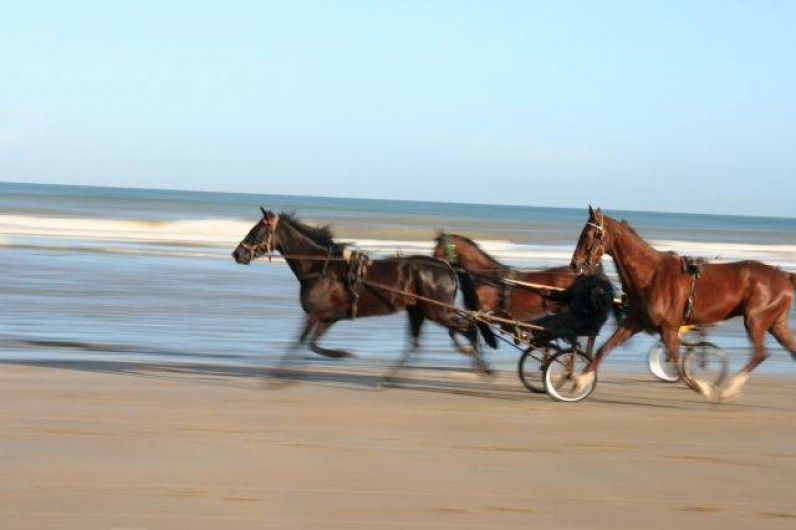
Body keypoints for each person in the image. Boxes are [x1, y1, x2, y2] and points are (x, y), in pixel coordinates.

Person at [528, 269, 616, 345]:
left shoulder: (603, 283)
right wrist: (550, 293)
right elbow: (567, 295)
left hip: (588, 320)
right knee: (544, 320)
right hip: (574, 315)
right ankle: (534, 339)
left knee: (555, 323)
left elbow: (603, 305)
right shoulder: (581, 279)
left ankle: (532, 336)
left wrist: (598, 296)